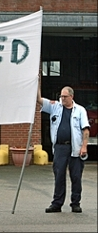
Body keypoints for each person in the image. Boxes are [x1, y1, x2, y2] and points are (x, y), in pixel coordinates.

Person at [37, 84, 90, 213]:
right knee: (59, 175)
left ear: (71, 96)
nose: (62, 98)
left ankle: (75, 203)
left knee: (76, 176)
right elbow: (39, 100)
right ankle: (57, 203)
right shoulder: (55, 106)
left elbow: (86, 130)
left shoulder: (80, 110)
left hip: (75, 147)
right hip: (60, 148)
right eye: (61, 96)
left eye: (65, 96)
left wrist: (84, 147)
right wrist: (37, 84)